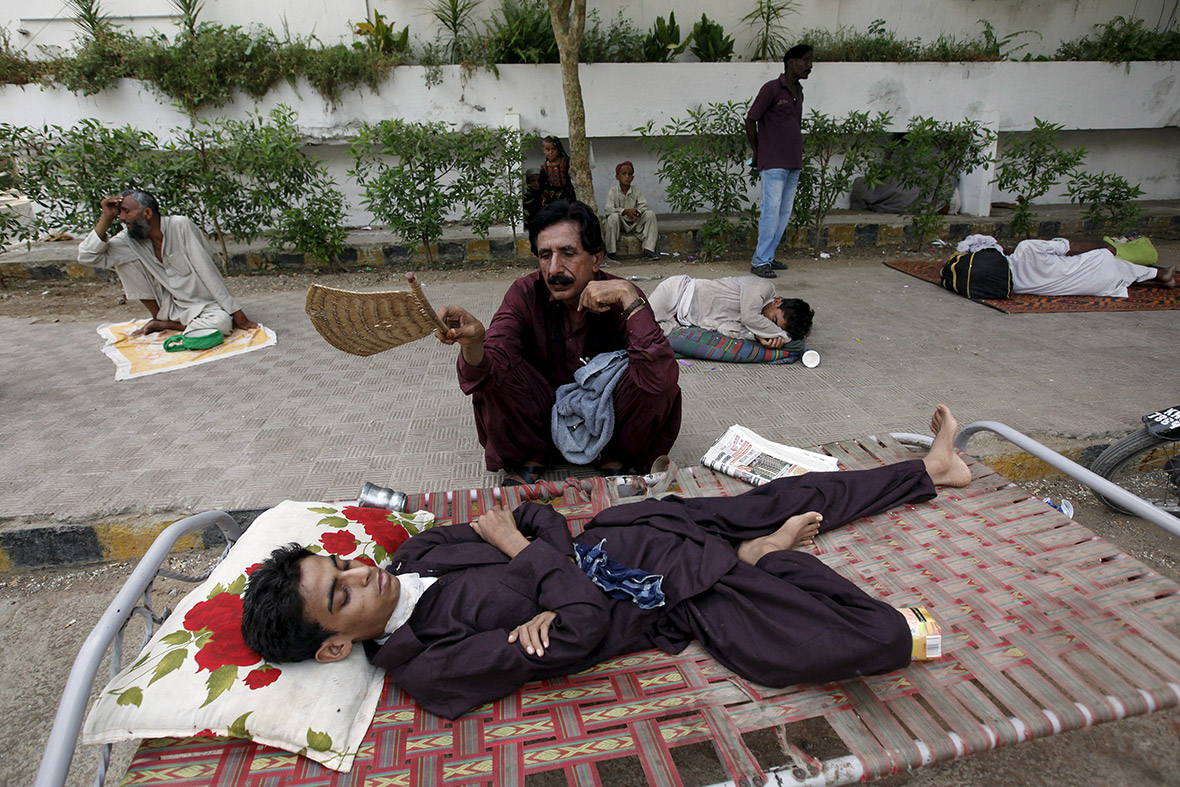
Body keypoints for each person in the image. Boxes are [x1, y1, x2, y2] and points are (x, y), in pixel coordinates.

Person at [241, 405, 973, 721]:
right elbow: (586, 626)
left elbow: (535, 515)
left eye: (342, 563)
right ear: (336, 643)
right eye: (340, 595)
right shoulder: (430, 665)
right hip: (658, 596)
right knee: (856, 642)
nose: (363, 573)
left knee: (783, 491)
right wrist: (530, 559)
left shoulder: (417, 550)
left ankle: (931, 471)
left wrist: (536, 562)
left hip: (626, 531)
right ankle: (757, 559)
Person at [433, 200, 682, 484]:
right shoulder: (524, 294)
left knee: (654, 374)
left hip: (607, 417)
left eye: (568, 253)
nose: (554, 269)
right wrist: (474, 343)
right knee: (495, 372)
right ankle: (533, 453)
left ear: (596, 258)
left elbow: (661, 378)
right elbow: (493, 359)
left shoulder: (624, 295)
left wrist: (628, 294)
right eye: (545, 255)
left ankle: (613, 454)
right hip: (539, 417)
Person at [77, 190, 256, 337]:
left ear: (147, 213)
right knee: (123, 261)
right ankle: (160, 318)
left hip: (201, 304)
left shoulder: (180, 226)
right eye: (119, 212)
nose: (121, 217)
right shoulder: (129, 240)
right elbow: (87, 256)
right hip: (168, 306)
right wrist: (106, 218)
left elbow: (207, 270)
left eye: (126, 211)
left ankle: (165, 325)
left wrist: (236, 312)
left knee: (221, 324)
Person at [746, 44, 813, 279]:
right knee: (771, 211)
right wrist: (757, 151)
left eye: (810, 61)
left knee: (784, 212)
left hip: (793, 161)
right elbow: (751, 119)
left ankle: (769, 256)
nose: (809, 66)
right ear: (790, 61)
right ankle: (760, 261)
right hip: (773, 162)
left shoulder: (799, 92)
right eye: (805, 61)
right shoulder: (772, 89)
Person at [650, 274, 814, 349]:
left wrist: (757, 337)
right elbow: (750, 317)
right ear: (778, 301)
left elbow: (724, 328)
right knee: (636, 321)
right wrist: (783, 337)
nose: (768, 326)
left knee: (644, 337)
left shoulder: (757, 327)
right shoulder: (763, 287)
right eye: (774, 321)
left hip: (679, 321)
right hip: (676, 292)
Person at [1002, 237, 1176, 297]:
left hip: (1092, 286)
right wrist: (1103, 244)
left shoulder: (1009, 283)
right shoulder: (1028, 247)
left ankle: (1159, 278)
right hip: (1100, 273)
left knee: (1115, 272)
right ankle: (1160, 274)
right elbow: (1072, 246)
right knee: (1104, 259)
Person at [603, 161, 659, 261]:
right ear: (617, 177)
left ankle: (648, 249)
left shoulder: (636, 190)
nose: (627, 177)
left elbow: (644, 205)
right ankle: (611, 252)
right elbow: (608, 209)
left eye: (629, 174)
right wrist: (624, 211)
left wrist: (638, 212)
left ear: (633, 177)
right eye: (623, 174)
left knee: (650, 214)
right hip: (620, 222)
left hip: (634, 221)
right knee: (612, 217)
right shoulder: (613, 191)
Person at [538, 136, 576, 207]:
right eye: (547, 149)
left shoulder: (566, 162)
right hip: (552, 198)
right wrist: (544, 197)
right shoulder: (544, 166)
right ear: (543, 150)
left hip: (567, 195)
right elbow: (543, 184)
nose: (551, 152)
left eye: (553, 149)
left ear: (558, 149)